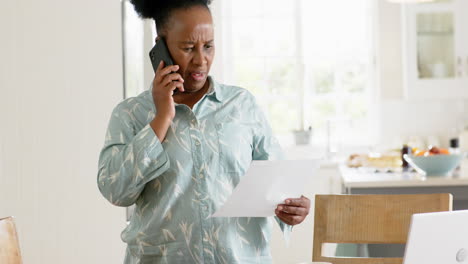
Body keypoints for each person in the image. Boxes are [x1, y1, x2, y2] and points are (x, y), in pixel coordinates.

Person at [97, 0, 311, 263]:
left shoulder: (242, 105)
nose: (201, 60)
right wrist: (162, 117)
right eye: (188, 48)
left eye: (208, 46)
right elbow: (115, 190)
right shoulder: (130, 114)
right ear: (160, 46)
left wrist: (294, 207)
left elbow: (279, 186)